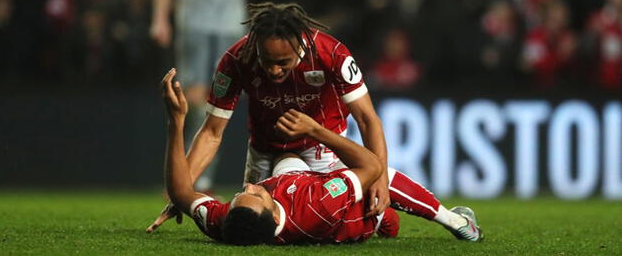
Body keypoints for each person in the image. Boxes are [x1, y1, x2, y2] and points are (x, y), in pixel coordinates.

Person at [149, 68, 484, 244]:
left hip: (293, 182)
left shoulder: (230, 224)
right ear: (272, 213)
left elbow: (181, 192)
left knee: (287, 159)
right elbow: (371, 165)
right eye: (253, 196)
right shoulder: (317, 203)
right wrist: (318, 130)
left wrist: (175, 122)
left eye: (239, 196)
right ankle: (457, 222)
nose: (248, 188)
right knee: (385, 181)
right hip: (351, 218)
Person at [149, 2, 392, 229]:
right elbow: (212, 132)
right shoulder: (236, 60)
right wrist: (183, 191)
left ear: (299, 46)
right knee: (260, 226)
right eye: (267, 61)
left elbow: (367, 119)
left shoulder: (332, 55)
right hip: (265, 152)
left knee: (333, 221)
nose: (274, 70)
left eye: (283, 62)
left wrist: (380, 179)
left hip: (322, 148)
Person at [149, 0, 266, 190]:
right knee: (195, 101)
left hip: (230, 25)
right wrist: (160, 17)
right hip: (195, 23)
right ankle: (189, 178)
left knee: (219, 102)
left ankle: (195, 179)